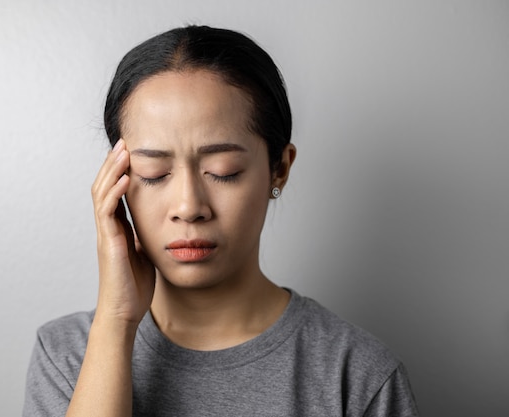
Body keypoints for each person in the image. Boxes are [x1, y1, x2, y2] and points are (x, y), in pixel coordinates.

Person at [23, 25, 419, 417]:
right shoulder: (67, 356)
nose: (189, 206)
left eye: (223, 170)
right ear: (117, 180)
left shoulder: (357, 376)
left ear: (278, 169)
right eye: (154, 172)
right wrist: (115, 324)